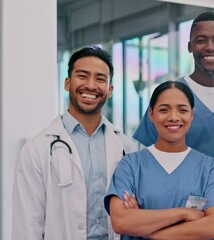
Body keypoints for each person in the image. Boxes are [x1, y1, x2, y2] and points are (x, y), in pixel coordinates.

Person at [12, 46, 139, 240]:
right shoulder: (37, 149)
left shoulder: (127, 147)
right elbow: (27, 226)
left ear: (110, 90)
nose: (90, 85)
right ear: (67, 83)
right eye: (82, 76)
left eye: (100, 79)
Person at [105, 81, 214, 239]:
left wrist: (144, 227)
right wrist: (184, 213)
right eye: (164, 110)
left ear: (191, 114)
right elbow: (121, 222)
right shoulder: (130, 165)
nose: (173, 117)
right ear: (151, 114)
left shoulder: (209, 168)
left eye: (182, 110)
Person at [133, 11, 214, 159]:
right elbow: (142, 154)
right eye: (201, 41)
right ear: (190, 46)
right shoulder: (168, 96)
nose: (210, 47)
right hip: (178, 182)